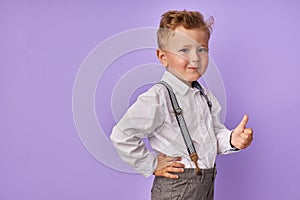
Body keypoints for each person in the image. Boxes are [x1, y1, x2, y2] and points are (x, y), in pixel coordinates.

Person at [110, 10, 253, 200]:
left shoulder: (205, 96)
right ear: (163, 57)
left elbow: (211, 137)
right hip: (176, 189)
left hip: (206, 184)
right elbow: (121, 135)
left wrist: (232, 139)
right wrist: (151, 164)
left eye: (201, 49)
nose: (195, 58)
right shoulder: (158, 98)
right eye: (184, 50)